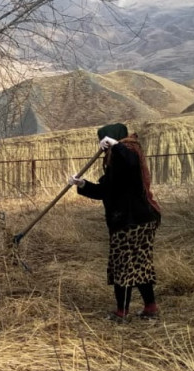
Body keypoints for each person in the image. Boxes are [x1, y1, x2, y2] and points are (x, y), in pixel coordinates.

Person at [68, 123, 162, 322]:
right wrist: (82, 184)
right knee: (139, 265)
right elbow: (106, 190)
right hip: (135, 219)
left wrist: (115, 144)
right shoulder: (116, 160)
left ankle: (122, 313)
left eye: (106, 142)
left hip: (133, 221)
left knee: (124, 266)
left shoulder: (128, 152)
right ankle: (150, 308)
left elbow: (130, 162)